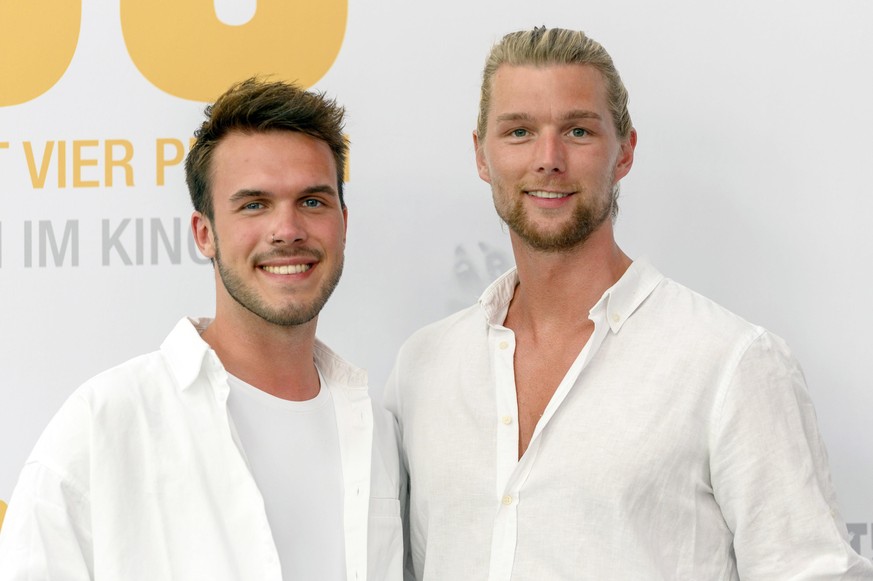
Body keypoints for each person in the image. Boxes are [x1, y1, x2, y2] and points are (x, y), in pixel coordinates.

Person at [384, 27, 873, 580]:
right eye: (519, 131)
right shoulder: (422, 368)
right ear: (481, 155)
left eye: (577, 130)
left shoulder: (729, 364)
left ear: (625, 152)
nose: (549, 159)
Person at [0, 78, 403, 580]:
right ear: (204, 233)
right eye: (254, 204)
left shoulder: (380, 433)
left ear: (343, 222)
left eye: (313, 201)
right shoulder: (105, 425)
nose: (288, 229)